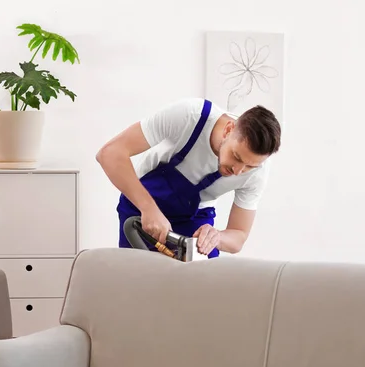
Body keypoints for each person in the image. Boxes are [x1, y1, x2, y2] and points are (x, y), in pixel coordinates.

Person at [96, 97, 281, 258]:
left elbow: (239, 235)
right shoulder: (190, 115)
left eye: (249, 166)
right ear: (228, 130)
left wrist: (218, 237)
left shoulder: (259, 171)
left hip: (193, 221)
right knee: (138, 284)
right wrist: (148, 208)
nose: (239, 170)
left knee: (201, 289)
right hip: (141, 204)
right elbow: (110, 153)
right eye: (237, 157)